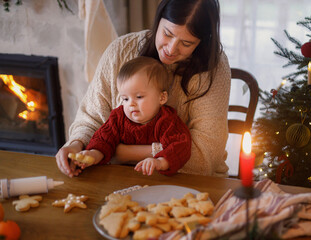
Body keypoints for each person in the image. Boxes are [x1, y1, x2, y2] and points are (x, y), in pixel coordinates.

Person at [56, 0, 231, 178]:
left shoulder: (213, 67)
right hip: (117, 174)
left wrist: (122, 152)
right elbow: (91, 118)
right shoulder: (121, 50)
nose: (171, 49)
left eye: (186, 44)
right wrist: (76, 144)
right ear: (158, 19)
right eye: (167, 34)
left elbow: (204, 158)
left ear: (202, 42)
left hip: (190, 179)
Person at [70, 56, 191, 176]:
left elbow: (180, 147)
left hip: (156, 178)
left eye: (139, 97)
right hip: (122, 176)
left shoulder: (167, 120)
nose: (131, 104)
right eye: (125, 99)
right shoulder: (118, 117)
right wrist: (93, 154)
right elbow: (103, 140)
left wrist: (159, 162)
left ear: (162, 98)